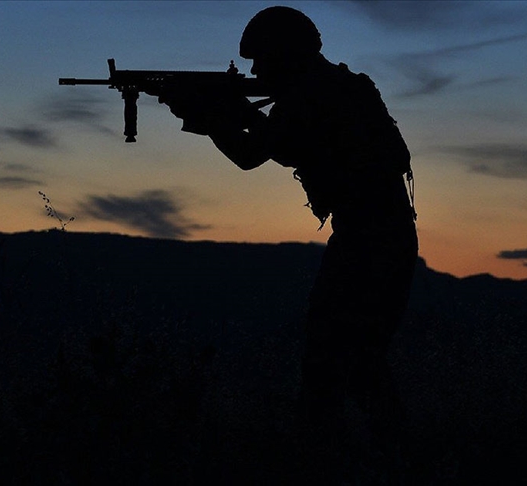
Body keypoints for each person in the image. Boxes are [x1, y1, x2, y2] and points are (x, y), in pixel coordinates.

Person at [159, 6, 419, 482]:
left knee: (333, 354)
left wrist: (204, 115)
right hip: (382, 233)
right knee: (355, 357)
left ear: (286, 55)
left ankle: (336, 458)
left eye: (261, 60)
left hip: (370, 236)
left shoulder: (312, 97)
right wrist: (218, 113)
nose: (256, 72)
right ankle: (388, 455)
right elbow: (278, 143)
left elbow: (250, 154)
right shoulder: (334, 88)